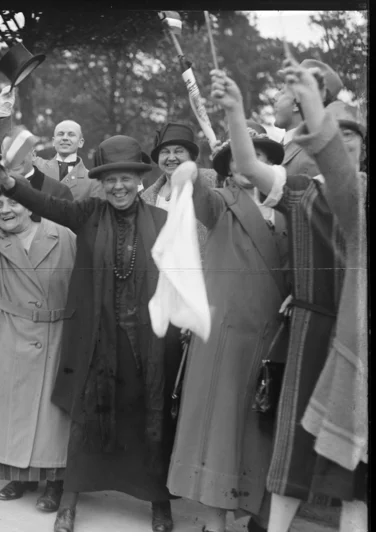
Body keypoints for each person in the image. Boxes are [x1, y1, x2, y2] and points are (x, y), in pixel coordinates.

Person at [0, 131, 178, 532]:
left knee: (148, 416)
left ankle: (158, 501)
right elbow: (44, 202)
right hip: (97, 339)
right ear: (100, 184)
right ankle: (70, 498)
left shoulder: (163, 221)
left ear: (139, 180)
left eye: (126, 179)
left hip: (148, 341)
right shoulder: (87, 213)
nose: (118, 186)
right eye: (110, 180)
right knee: (87, 418)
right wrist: (10, 183)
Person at [236, 62, 368, 532]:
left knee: (356, 461)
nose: (342, 144)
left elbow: (345, 179)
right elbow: (249, 166)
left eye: (351, 137)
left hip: (358, 333)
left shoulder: (365, 197)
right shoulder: (300, 193)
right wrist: (235, 113)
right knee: (292, 441)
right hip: (311, 326)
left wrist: (313, 103)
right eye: (336, 136)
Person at [167, 71, 291, 532]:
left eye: (259, 156)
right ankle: (215, 521)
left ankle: (260, 516)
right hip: (221, 340)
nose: (250, 162)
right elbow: (195, 191)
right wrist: (184, 170)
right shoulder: (221, 201)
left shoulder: (291, 211)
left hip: (271, 342)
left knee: (260, 431)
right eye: (244, 156)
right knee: (215, 433)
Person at [0, 180, 76, 514]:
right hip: (9, 331)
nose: (5, 210)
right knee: (11, 408)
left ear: (31, 204)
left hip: (56, 331)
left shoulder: (64, 235)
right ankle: (18, 476)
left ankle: (55, 482)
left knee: (53, 415)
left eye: (13, 203)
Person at [282, 62, 368, 533]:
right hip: (353, 354)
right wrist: (313, 100)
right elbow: (338, 168)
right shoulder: (357, 202)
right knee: (351, 480)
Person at [140, 122, 216, 257]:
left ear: (191, 156)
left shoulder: (212, 180)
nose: (171, 157)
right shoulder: (146, 198)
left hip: (203, 271)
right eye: (165, 152)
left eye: (178, 151)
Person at [272, 59, 342, 177]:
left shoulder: (312, 157)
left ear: (296, 103)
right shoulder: (278, 148)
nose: (275, 96)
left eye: (282, 92)